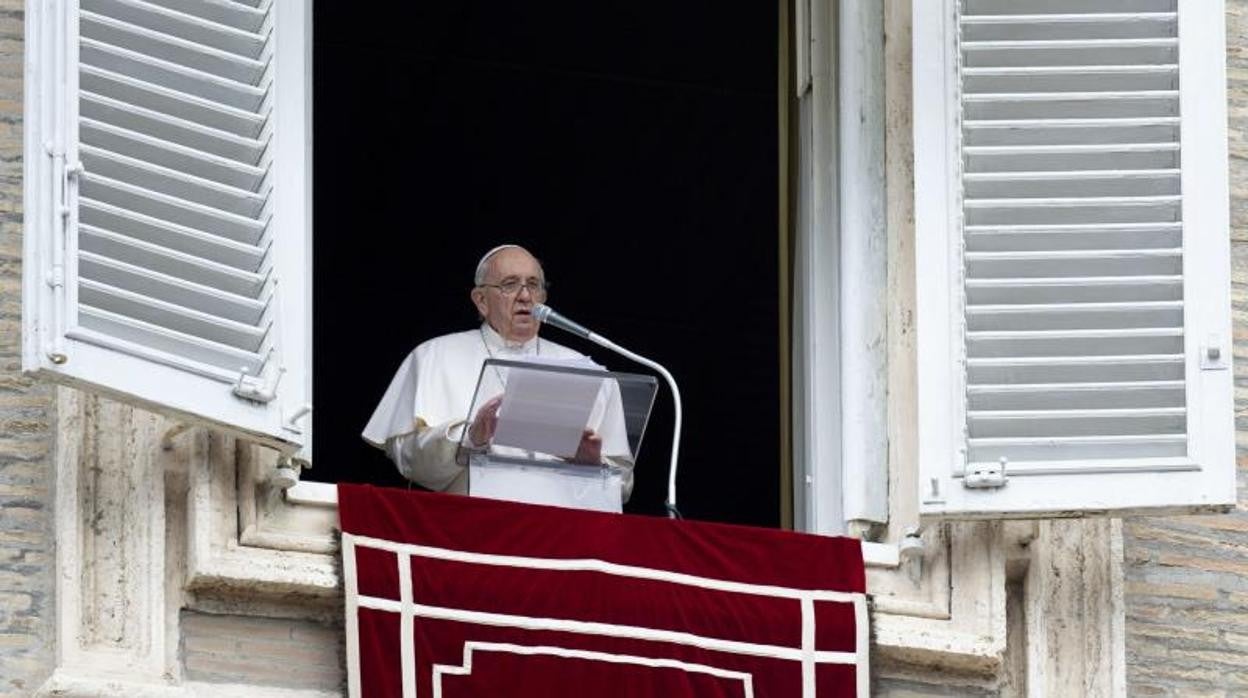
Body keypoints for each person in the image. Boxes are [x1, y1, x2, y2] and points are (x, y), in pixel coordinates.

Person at [361, 244, 632, 496]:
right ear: (481, 300)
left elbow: (624, 485)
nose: (525, 296)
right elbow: (405, 456)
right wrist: (470, 438)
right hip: (468, 530)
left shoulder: (587, 370)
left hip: (561, 535)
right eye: (509, 285)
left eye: (534, 286)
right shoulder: (434, 355)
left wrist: (592, 465)